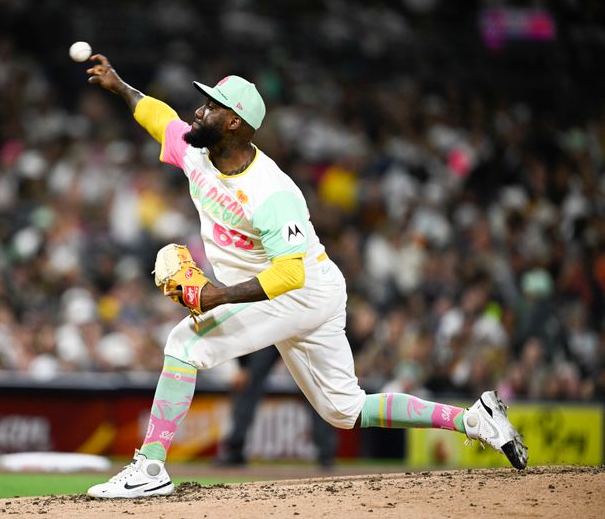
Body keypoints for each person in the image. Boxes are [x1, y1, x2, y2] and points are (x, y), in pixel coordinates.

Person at [83, 53, 527, 499]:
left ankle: (150, 466)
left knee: (184, 344)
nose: (199, 110)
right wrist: (118, 84)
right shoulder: (197, 152)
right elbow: (159, 118)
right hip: (305, 290)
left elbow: (289, 274)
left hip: (298, 289)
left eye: (212, 105)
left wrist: (218, 297)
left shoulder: (272, 192)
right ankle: (474, 420)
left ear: (235, 123)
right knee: (343, 409)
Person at [215, 346, 337, 469]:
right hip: (271, 334)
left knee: (313, 387)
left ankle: (326, 454)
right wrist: (243, 366)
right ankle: (234, 451)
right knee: (249, 385)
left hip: (296, 331)